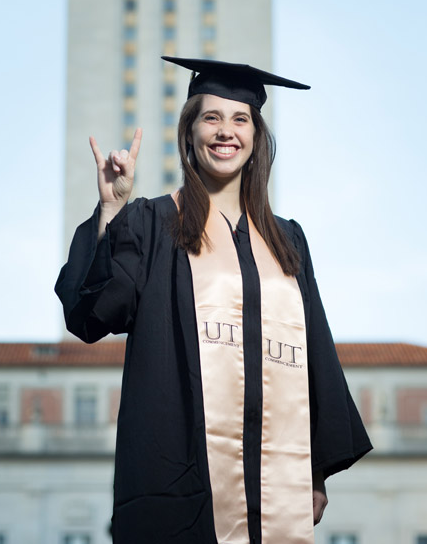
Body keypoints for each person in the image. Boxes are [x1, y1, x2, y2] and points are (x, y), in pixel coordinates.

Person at [55, 57, 372, 544]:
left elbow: (316, 354)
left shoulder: (287, 240)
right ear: (190, 133)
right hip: (180, 470)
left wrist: (314, 471)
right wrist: (111, 210)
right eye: (212, 118)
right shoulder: (152, 223)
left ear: (256, 137)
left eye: (240, 118)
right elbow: (93, 314)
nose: (227, 132)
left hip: (275, 476)